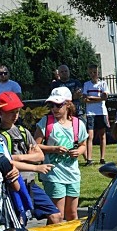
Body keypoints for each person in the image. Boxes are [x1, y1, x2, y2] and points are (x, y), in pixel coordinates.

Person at [0, 91, 62, 225]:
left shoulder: (23, 131)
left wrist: (18, 158)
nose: (15, 115)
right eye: (10, 112)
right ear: (0, 113)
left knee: (56, 216)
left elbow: (40, 155)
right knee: (19, 224)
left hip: (30, 184)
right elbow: (6, 162)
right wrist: (30, 159)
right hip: (13, 186)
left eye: (17, 111)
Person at [34, 87, 87, 221]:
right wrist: (53, 149)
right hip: (53, 175)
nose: (55, 109)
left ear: (68, 104)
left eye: (58, 105)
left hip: (72, 174)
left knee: (72, 215)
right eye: (52, 105)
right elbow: (35, 146)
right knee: (57, 216)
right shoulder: (46, 123)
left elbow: (83, 145)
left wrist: (78, 152)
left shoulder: (78, 124)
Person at [82, 63, 110, 165]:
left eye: (95, 72)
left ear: (98, 72)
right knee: (90, 136)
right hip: (90, 113)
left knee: (102, 135)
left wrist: (92, 98)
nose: (93, 74)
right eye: (91, 72)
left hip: (101, 112)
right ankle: (89, 159)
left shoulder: (103, 84)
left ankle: (102, 158)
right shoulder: (86, 84)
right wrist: (98, 98)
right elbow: (85, 99)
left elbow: (105, 97)